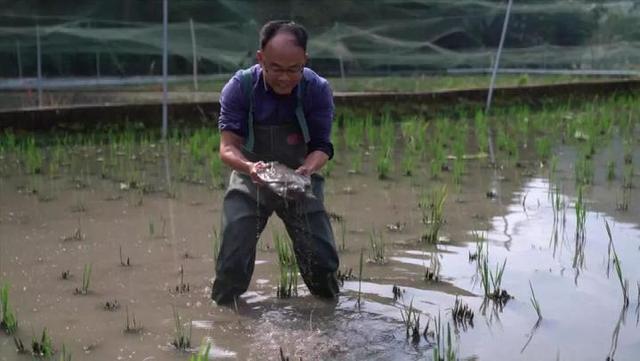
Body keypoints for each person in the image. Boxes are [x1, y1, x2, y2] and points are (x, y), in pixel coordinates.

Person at [211, 20, 340, 305]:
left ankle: (329, 311)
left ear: (305, 60)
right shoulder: (240, 87)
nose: (284, 78)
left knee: (321, 258)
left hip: (299, 176)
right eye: (276, 68)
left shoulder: (317, 89)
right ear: (261, 59)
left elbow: (322, 146)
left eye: (294, 69)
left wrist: (308, 168)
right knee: (232, 255)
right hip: (251, 176)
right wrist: (250, 168)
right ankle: (225, 319)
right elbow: (228, 147)